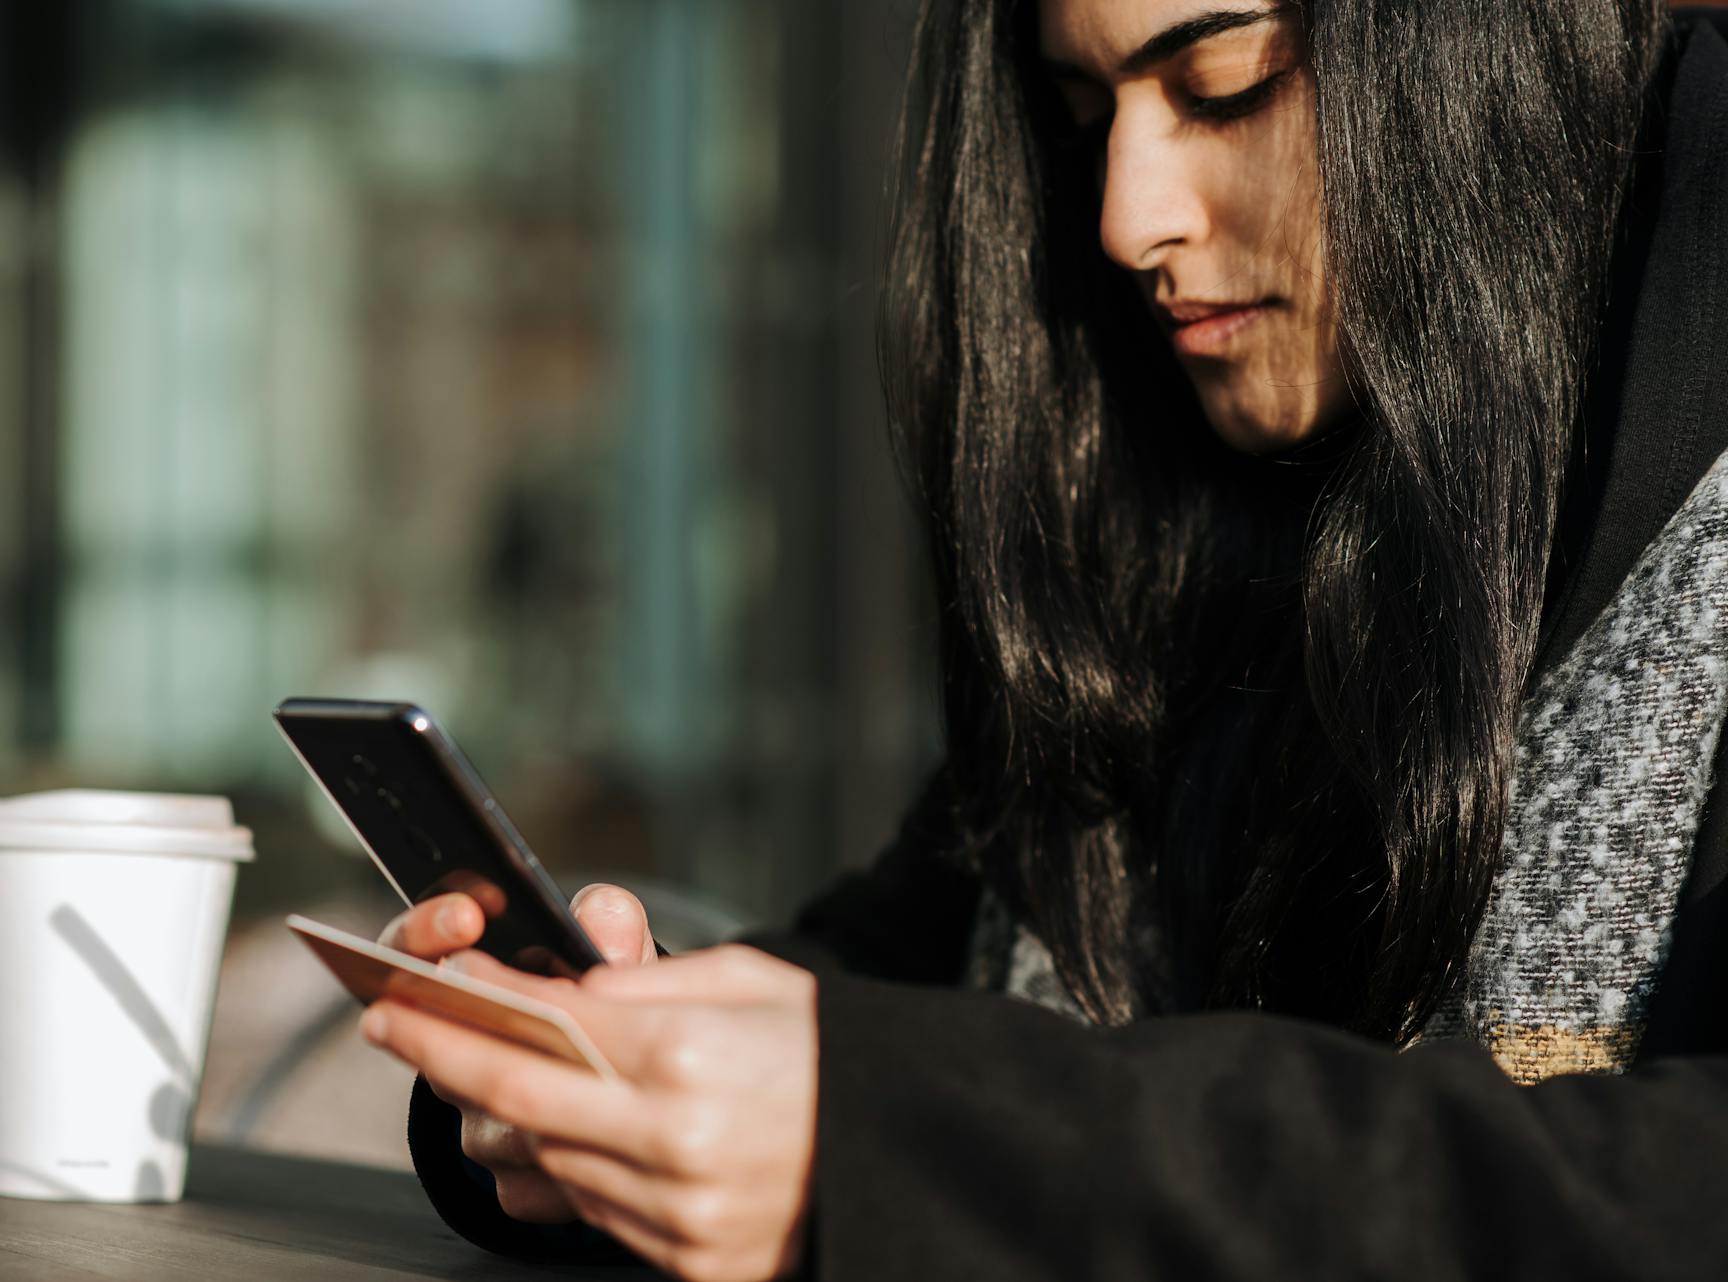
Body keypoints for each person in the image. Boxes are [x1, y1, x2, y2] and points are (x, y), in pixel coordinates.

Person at [358, 1, 1728, 1278]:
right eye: (1082, 110)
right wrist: (618, 1072)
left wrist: (901, 1143)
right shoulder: (1194, 521)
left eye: (1224, 85)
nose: (1130, 217)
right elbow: (910, 985)